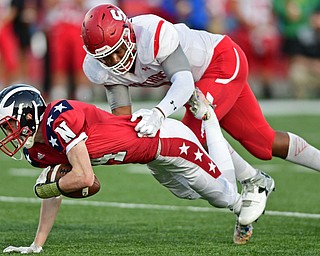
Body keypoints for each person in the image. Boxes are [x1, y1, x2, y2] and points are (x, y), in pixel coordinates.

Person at [0, 84, 268, 253]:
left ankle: (208, 119)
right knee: (189, 194)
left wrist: (49, 187)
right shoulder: (38, 150)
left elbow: (84, 177)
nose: (8, 133)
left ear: (28, 114)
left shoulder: (59, 117)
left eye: (10, 124)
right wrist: (36, 245)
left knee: (224, 196)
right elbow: (54, 194)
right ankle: (233, 197)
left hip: (168, 141)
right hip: (150, 157)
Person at [80, 5, 320, 194]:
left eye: (118, 50)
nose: (115, 61)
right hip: (198, 86)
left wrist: (159, 113)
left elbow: (183, 82)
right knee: (264, 144)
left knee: (190, 135)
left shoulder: (153, 33)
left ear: (128, 33)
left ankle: (253, 181)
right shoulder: (100, 67)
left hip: (221, 61)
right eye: (106, 57)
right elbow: (122, 120)